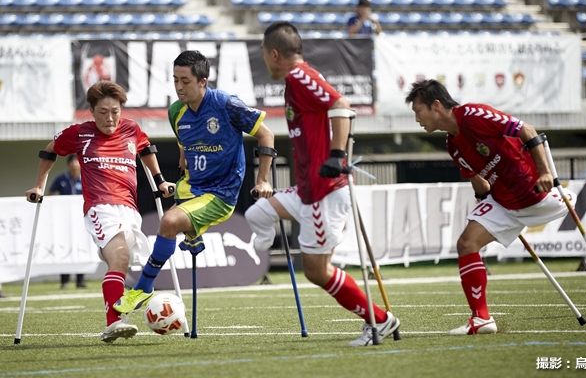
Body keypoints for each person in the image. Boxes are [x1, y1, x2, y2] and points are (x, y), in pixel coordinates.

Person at [244, 21, 400, 347]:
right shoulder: (293, 82)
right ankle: (259, 250)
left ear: (274, 53)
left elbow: (341, 104)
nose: (264, 61)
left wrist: (338, 155)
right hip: (306, 191)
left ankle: (379, 321)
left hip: (324, 191)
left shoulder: (301, 77)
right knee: (259, 213)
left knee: (317, 270)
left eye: (263, 54)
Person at [405, 79, 576, 335]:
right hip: (503, 202)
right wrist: (482, 201)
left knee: (572, 201)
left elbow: (527, 130)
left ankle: (569, 197)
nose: (417, 119)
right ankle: (481, 319)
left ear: (436, 106)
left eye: (418, 111)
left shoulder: (474, 115)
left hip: (536, 192)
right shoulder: (452, 145)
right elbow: (480, 184)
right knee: (466, 244)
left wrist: (545, 173)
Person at [114, 50, 275, 314]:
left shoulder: (226, 104)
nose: (178, 87)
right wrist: (182, 156)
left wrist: (263, 180)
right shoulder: (176, 111)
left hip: (220, 193)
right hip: (189, 187)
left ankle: (142, 288)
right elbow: (183, 139)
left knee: (168, 222)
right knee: (174, 222)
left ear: (203, 81)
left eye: (185, 81)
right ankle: (194, 235)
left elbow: (266, 135)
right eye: (175, 79)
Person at [26, 80, 175, 344]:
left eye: (115, 111)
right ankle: (113, 324)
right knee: (119, 258)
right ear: (92, 111)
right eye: (103, 112)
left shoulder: (131, 129)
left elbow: (145, 150)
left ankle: (126, 303)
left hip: (129, 208)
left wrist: (160, 180)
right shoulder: (79, 133)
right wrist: (38, 184)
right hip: (99, 205)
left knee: (125, 261)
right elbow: (49, 151)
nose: (110, 118)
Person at [47, 154, 86, 289]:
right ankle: (64, 281)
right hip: (64, 221)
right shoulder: (61, 179)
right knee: (64, 248)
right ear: (69, 164)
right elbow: (49, 194)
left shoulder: (87, 178)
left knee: (82, 247)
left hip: (82, 220)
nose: (75, 164)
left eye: (77, 162)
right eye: (73, 162)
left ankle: (80, 280)